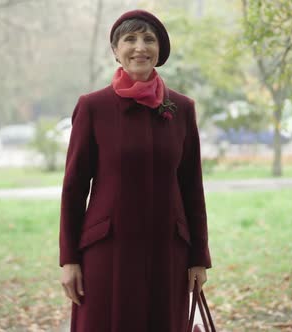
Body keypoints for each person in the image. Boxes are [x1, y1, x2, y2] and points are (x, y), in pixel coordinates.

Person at [59, 9, 211, 332]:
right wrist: (69, 259)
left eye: (148, 39)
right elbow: (73, 189)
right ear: (116, 51)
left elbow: (192, 187)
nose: (140, 47)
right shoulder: (92, 107)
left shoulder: (182, 109)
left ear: (159, 51)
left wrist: (199, 257)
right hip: (108, 252)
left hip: (168, 252)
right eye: (129, 39)